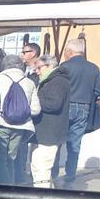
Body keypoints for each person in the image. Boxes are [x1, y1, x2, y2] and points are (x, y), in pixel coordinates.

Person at [56, 38, 100, 187]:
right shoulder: (93, 67)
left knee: (56, 141)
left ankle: (53, 174)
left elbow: (57, 87)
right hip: (84, 107)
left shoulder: (64, 66)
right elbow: (98, 91)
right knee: (75, 145)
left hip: (65, 107)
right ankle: (70, 176)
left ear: (69, 52)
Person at [0, 54, 41, 185]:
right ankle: (10, 187)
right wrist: (20, 112)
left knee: (0, 158)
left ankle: (4, 188)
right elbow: (36, 110)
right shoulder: (29, 82)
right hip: (21, 127)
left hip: (0, 123)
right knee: (10, 158)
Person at [31, 54, 71, 187]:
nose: (36, 71)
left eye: (39, 68)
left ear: (50, 66)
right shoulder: (51, 80)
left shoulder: (58, 81)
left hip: (49, 132)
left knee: (42, 168)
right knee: (38, 166)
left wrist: (34, 101)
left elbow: (54, 104)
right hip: (44, 131)